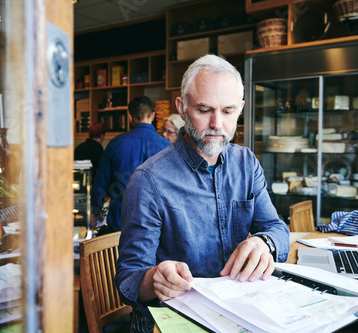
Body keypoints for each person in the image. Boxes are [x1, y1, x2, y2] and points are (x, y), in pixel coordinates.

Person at [115, 54, 290, 331]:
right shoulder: (147, 181)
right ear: (182, 108)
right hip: (171, 322)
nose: (217, 124)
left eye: (228, 111)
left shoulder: (246, 163)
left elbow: (276, 228)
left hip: (238, 312)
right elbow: (128, 280)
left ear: (241, 109)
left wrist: (264, 243)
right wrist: (153, 279)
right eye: (205, 109)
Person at [90, 96, 170, 232]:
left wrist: (96, 212)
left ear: (129, 117)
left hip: (119, 224)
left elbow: (100, 183)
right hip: (155, 225)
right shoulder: (166, 147)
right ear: (153, 115)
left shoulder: (115, 144)